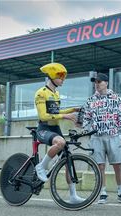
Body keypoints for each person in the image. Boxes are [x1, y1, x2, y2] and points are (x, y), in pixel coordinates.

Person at [34, 62, 84, 203]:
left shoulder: (56, 93)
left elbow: (56, 112)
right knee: (60, 142)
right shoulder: (41, 93)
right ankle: (41, 167)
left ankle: (73, 195)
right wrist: (66, 116)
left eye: (64, 77)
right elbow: (44, 116)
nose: (63, 79)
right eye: (60, 76)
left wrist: (72, 110)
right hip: (44, 128)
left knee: (68, 157)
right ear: (51, 76)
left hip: (55, 129)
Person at [82, 73, 121, 204]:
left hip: (113, 135)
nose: (97, 84)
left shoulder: (116, 98)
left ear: (106, 83)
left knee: (117, 165)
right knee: (100, 166)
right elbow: (86, 118)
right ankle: (102, 192)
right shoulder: (90, 100)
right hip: (96, 137)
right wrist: (88, 132)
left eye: (99, 81)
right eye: (95, 82)